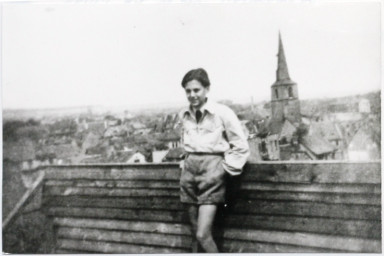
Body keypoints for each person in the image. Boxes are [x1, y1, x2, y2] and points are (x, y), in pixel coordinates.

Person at [178, 68, 249, 252]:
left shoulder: (222, 112)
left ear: (207, 89)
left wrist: (223, 169)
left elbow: (240, 146)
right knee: (195, 233)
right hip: (189, 175)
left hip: (212, 175)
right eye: (188, 91)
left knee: (203, 234)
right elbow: (187, 144)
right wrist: (185, 162)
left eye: (196, 90)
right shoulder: (183, 114)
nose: (192, 95)